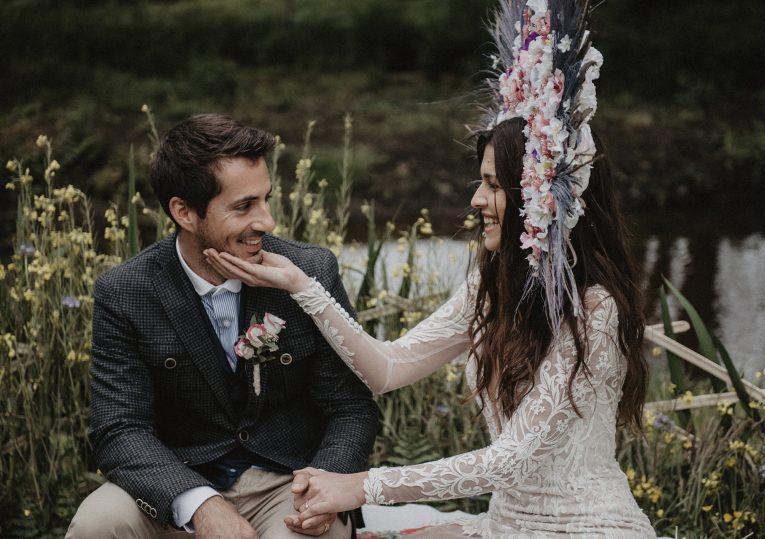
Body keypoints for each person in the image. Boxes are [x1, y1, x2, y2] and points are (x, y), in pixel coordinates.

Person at [205, 116, 656, 538]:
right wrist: (303, 286)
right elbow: (387, 369)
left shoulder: (595, 309)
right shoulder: (491, 287)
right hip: (504, 526)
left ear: (540, 199)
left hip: (587, 526)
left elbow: (509, 462)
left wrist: (364, 486)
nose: (477, 199)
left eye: (493, 185)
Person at [66, 114, 379, 539]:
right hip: (176, 476)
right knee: (96, 523)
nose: (267, 222)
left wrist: (328, 482)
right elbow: (119, 427)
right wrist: (199, 503)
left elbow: (350, 406)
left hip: (290, 480)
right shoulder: (125, 291)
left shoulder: (308, 271)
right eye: (244, 206)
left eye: (266, 199)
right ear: (185, 212)